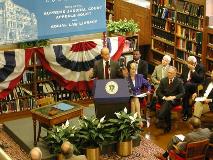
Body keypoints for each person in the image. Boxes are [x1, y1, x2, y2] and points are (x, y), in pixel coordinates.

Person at [156, 66, 185, 133]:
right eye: (168, 72)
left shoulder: (179, 81)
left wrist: (174, 97)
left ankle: (160, 117)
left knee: (167, 103)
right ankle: (167, 125)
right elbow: (158, 92)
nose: (169, 74)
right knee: (167, 104)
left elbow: (183, 93)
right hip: (164, 99)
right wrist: (164, 97)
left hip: (174, 100)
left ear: (175, 74)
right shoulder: (163, 80)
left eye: (171, 73)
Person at [180, 56, 205, 121]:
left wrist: (193, 70)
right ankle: (187, 112)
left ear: (195, 63)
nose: (189, 65)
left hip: (196, 86)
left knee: (187, 86)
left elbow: (200, 80)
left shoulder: (201, 67)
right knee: (185, 86)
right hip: (186, 86)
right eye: (188, 63)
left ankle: (185, 112)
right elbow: (182, 77)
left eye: (190, 64)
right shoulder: (185, 66)